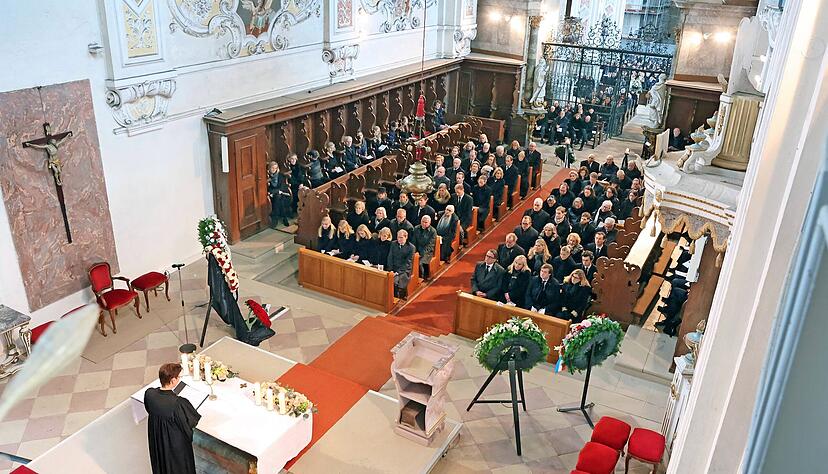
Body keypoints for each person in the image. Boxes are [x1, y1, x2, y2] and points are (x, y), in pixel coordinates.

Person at [145, 363, 201, 474]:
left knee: (162, 463)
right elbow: (190, 422)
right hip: (174, 443)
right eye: (178, 377)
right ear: (173, 380)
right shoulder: (178, 403)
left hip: (158, 438)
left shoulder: (149, 393)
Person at [388, 229, 415, 299]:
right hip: (393, 268)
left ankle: (396, 297)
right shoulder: (393, 244)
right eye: (398, 237)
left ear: (406, 237)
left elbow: (407, 263)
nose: (399, 239)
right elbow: (390, 257)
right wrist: (390, 269)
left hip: (404, 270)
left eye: (401, 237)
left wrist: (397, 272)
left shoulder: (411, 248)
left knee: (395, 281)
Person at [411, 215, 438, 279]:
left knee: (419, 263)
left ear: (429, 223)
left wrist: (421, 253)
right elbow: (413, 241)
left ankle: (421, 277)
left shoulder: (433, 231)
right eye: (422, 221)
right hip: (417, 250)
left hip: (427, 252)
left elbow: (430, 245)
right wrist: (414, 251)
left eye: (426, 222)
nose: (424, 223)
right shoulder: (416, 228)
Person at [267, 162, 291, 228]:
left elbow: (283, 186)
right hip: (272, 195)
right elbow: (268, 189)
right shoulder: (267, 177)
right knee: (279, 198)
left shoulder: (280, 175)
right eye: (272, 168)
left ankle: (276, 218)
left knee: (279, 197)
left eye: (275, 168)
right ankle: (284, 217)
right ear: (269, 168)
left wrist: (277, 191)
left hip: (281, 193)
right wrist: (275, 192)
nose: (274, 170)